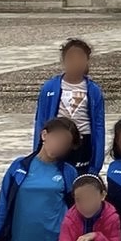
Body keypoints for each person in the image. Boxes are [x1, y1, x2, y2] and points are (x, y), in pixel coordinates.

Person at [33, 38, 106, 176]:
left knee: (79, 178)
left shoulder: (94, 90)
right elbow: (41, 120)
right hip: (59, 140)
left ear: (87, 61)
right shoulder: (49, 87)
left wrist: (97, 160)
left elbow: (98, 125)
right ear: (63, 60)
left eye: (80, 58)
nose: (75, 62)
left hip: (83, 142)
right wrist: (38, 151)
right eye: (71, 58)